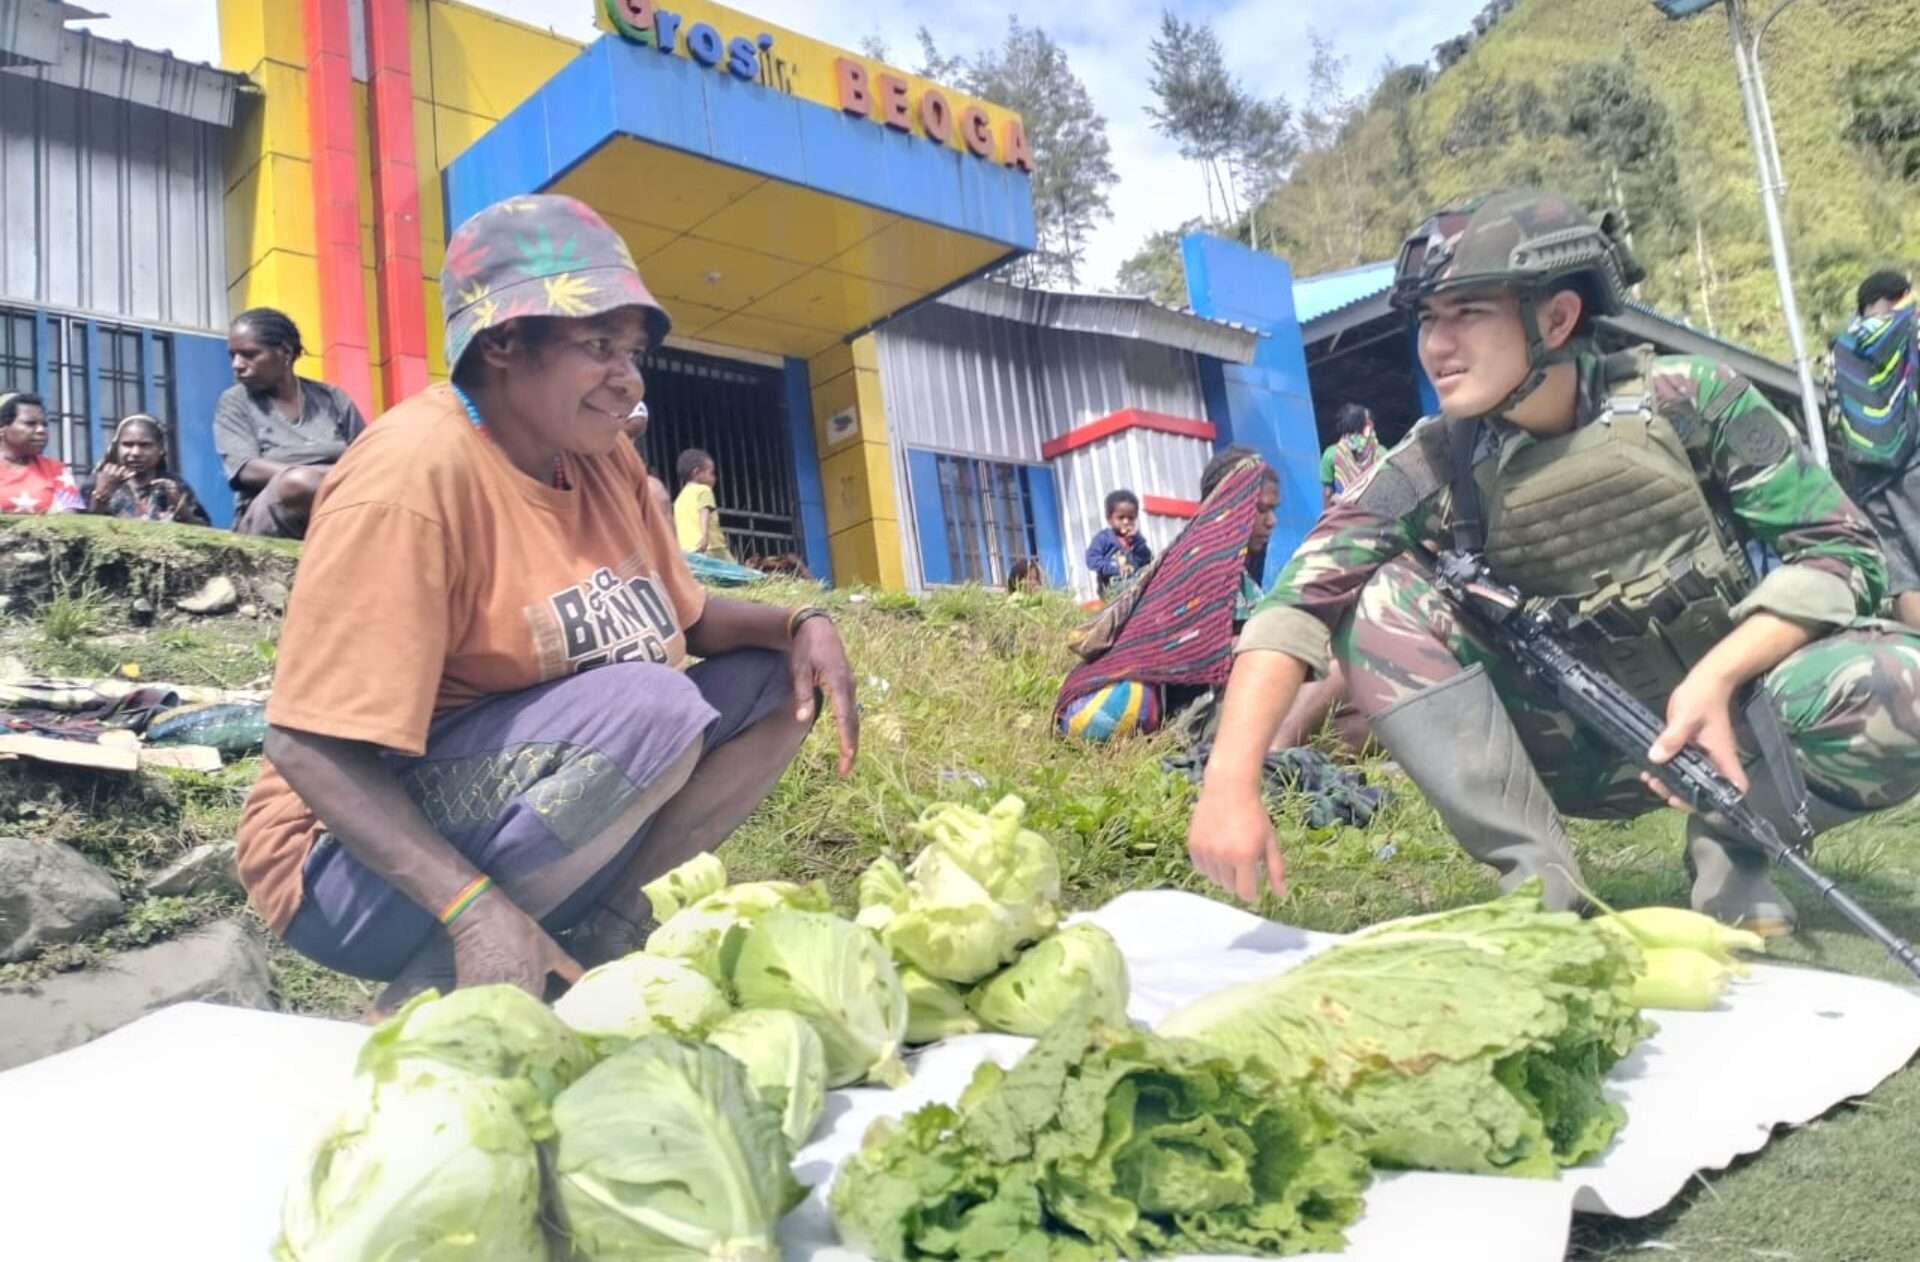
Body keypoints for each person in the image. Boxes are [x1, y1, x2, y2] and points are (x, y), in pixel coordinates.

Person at [1187, 188, 1920, 937]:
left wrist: (1720, 672)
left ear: (1558, 317)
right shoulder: (1435, 460)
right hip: (1570, 748)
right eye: (1427, 320)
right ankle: (1541, 887)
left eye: (1468, 312)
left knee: (1907, 678)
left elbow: (1841, 549)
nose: (1437, 345)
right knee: (1378, 595)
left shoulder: (1693, 400)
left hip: (1735, 729)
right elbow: (1296, 599)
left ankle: (1732, 842)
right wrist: (1230, 781)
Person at [234, 194, 859, 1009]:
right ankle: (455, 969)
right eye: (598, 344)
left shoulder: (601, 460)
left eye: (632, 351)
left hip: (520, 791)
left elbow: (691, 619)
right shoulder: (410, 481)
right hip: (343, 867)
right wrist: (471, 909)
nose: (627, 377)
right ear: (501, 343)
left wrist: (801, 624)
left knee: (778, 680)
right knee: (651, 705)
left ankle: (589, 932)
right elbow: (305, 744)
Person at [212, 307, 367, 539]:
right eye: (232, 355)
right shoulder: (235, 402)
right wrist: (321, 479)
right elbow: (245, 469)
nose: (237, 364)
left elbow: (367, 458)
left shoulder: (333, 399)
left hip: (339, 507)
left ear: (284, 352)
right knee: (297, 483)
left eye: (249, 354)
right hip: (272, 513)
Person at [1829, 269, 1920, 627]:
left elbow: (1837, 416)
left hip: (1869, 479)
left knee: (1904, 580)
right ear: (1900, 295)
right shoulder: (1911, 329)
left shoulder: (1841, 347)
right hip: (1914, 464)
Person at [86, 415, 211, 526]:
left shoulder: (175, 485)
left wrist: (182, 510)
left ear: (160, 449)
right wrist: (101, 495)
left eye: (145, 445)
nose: (135, 452)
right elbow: (80, 530)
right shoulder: (97, 482)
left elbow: (208, 535)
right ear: (117, 447)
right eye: (127, 444)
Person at [0, 392, 82, 515]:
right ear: (2, 429)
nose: (41, 430)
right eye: (30, 424)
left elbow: (68, 520)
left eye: (44, 425)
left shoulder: (56, 469)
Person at [1086, 489, 1152, 597]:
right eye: (1121, 518)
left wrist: (1138, 544)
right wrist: (1116, 568)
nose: (1126, 522)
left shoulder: (1136, 538)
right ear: (1109, 519)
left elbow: (1146, 559)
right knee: (1132, 587)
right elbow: (1092, 560)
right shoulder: (1103, 539)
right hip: (1111, 586)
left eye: (1131, 518)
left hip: (1134, 580)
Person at [673, 447, 734, 560]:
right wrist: (704, 536)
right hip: (712, 547)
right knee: (738, 573)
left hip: (688, 551)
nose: (714, 478)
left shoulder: (679, 499)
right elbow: (704, 511)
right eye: (711, 473)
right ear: (696, 472)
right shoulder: (704, 490)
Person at [1319, 403, 1381, 507]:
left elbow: (1328, 493)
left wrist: (1327, 519)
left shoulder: (1331, 454)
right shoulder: (1381, 452)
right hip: (1376, 514)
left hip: (1346, 515)